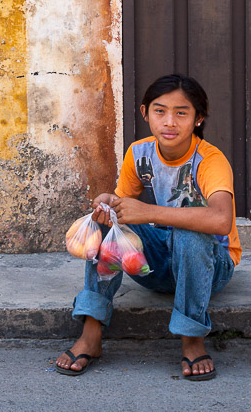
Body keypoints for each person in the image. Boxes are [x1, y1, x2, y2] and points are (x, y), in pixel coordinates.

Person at [55, 73, 241, 381]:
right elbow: (124, 206)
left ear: (198, 119)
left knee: (190, 229)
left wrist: (148, 211)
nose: (170, 121)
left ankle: (192, 338)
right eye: (160, 110)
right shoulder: (138, 153)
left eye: (181, 113)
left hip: (210, 266)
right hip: (154, 266)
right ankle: (91, 331)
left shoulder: (210, 160)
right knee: (108, 223)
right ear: (145, 113)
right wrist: (108, 205)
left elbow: (221, 219)